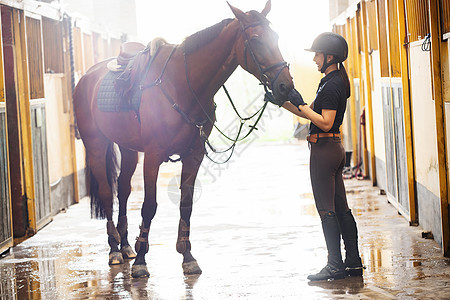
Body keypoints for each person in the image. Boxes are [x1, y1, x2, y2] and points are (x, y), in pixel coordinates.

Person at [266, 32, 364, 281]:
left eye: (317, 55)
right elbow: (310, 114)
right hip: (332, 150)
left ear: (330, 56)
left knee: (326, 210)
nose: (314, 60)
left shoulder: (332, 85)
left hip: (324, 151)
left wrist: (304, 105)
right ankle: (352, 262)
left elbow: (325, 121)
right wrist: (283, 102)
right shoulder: (331, 81)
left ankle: (334, 265)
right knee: (341, 208)